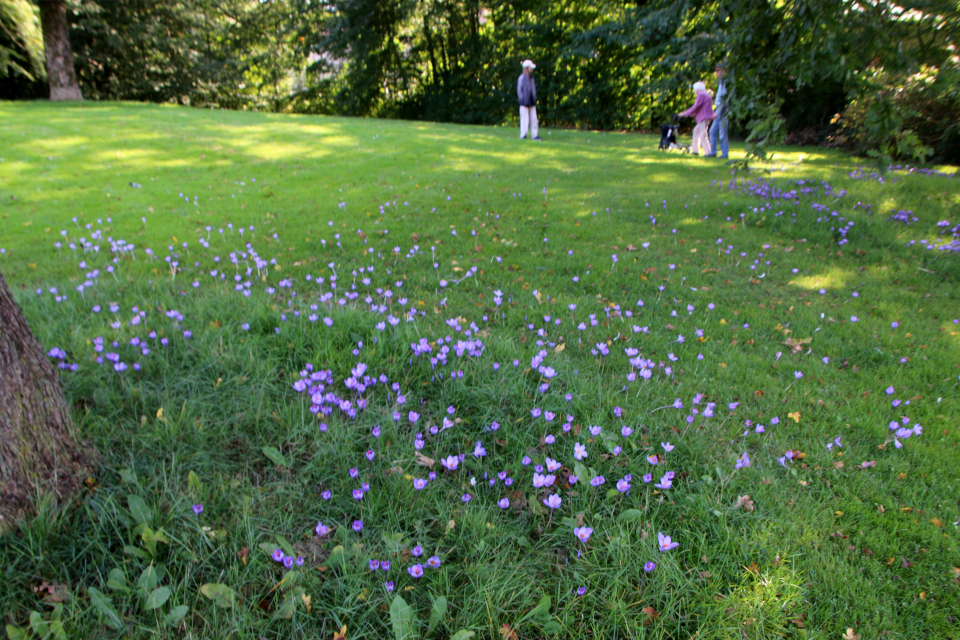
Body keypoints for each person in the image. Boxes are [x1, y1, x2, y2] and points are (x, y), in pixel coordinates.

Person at [678, 81, 715, 155]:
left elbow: (695, 107)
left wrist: (684, 113)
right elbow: (699, 108)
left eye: (694, 89)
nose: (694, 90)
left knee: (702, 135)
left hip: (703, 118)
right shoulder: (706, 95)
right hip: (706, 117)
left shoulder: (701, 95)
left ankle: (708, 152)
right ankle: (695, 150)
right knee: (695, 131)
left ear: (697, 89)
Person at [706, 62, 729, 159]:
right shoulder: (720, 82)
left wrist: (717, 111)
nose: (716, 72)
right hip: (718, 108)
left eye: (718, 70)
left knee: (722, 132)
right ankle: (713, 151)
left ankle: (724, 154)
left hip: (723, 109)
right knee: (712, 131)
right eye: (716, 70)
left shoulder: (726, 82)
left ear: (724, 71)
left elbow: (724, 99)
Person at [518, 60, 541, 141]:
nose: (532, 69)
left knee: (534, 119)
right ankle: (523, 134)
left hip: (532, 102)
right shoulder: (521, 78)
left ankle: (534, 135)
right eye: (530, 67)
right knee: (524, 119)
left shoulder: (532, 78)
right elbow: (519, 91)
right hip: (524, 102)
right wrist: (523, 100)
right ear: (527, 68)